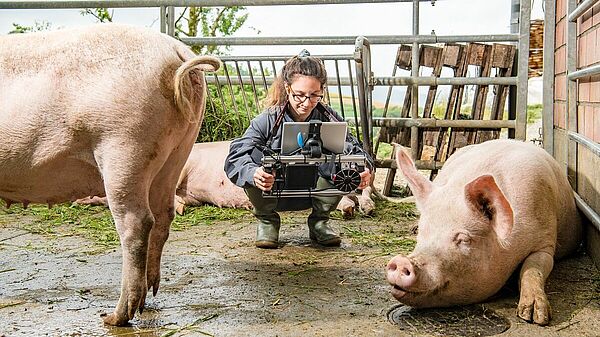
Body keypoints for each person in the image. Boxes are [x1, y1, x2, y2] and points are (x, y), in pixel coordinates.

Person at [225, 50, 373, 249]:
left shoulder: (330, 118)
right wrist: (253, 173)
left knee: (344, 158)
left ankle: (320, 222)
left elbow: (356, 150)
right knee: (253, 157)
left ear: (322, 90)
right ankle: (267, 221)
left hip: (315, 191)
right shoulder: (268, 119)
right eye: (299, 95)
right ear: (287, 88)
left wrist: (364, 169)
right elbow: (236, 155)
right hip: (275, 190)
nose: (306, 103)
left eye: (314, 96)